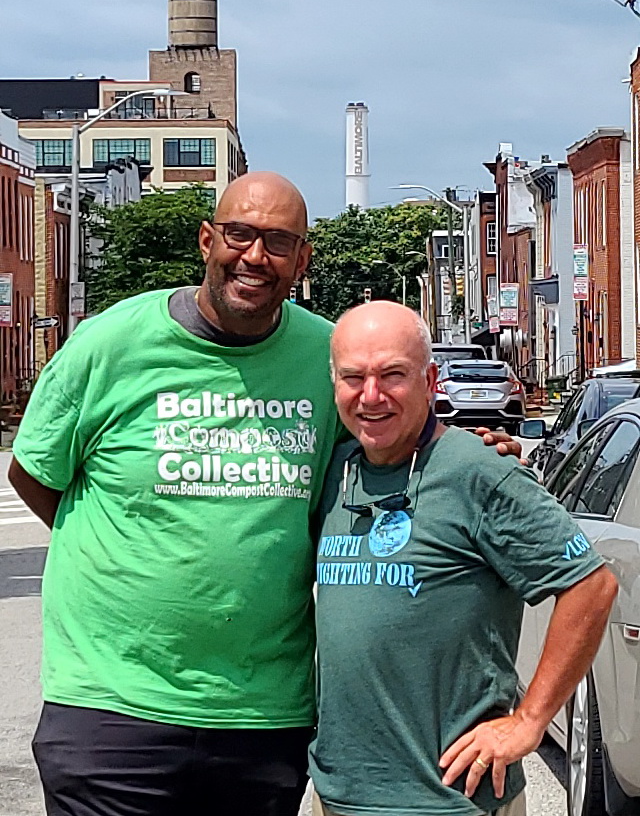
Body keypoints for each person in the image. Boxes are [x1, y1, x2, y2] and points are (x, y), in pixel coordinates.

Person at [9, 173, 521, 816]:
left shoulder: (324, 355)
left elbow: (382, 440)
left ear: (303, 260)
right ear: (206, 240)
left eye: (278, 242)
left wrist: (466, 447)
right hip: (111, 708)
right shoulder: (111, 344)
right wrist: (125, 555)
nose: (255, 256)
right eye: (239, 235)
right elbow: (34, 471)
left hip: (262, 716)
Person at [310, 301, 618, 816]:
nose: (370, 395)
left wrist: (529, 722)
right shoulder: (337, 470)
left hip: (452, 799)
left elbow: (591, 585)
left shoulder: (478, 471)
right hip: (340, 795)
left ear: (431, 380)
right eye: (353, 377)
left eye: (392, 375)